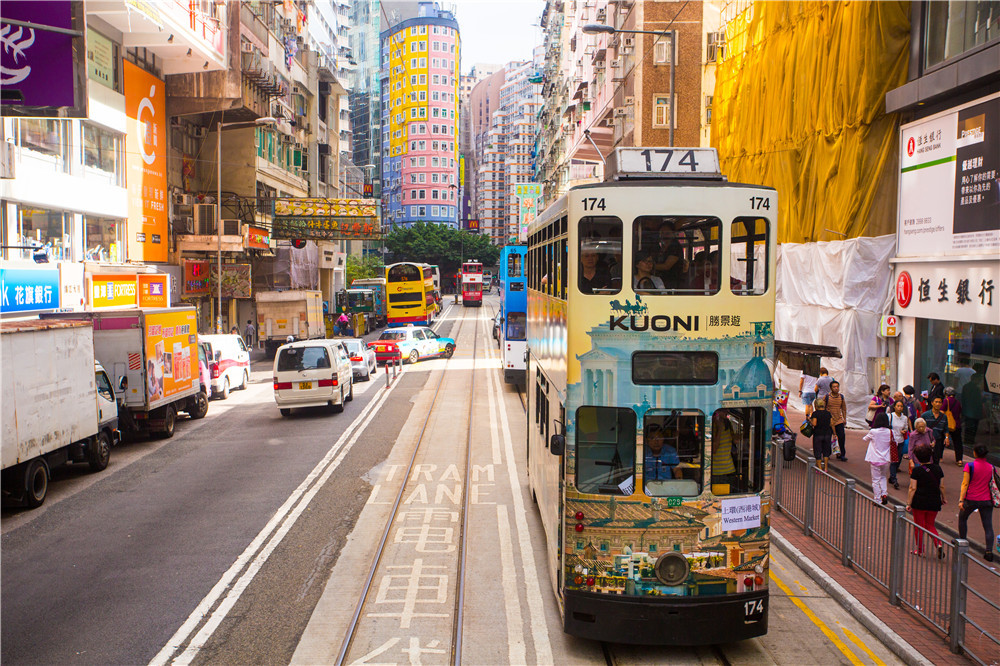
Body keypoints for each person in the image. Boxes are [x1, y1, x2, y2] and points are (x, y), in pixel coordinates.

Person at [906, 444, 946, 558]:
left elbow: (912, 488)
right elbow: (942, 486)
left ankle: (920, 550)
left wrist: (909, 503)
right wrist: (944, 498)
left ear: (917, 458)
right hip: (934, 501)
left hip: (919, 501)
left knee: (919, 526)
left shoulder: (917, 471)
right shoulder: (938, 469)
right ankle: (938, 543)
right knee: (930, 525)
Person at [958, 445, 996, 562]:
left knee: (963, 519)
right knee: (988, 525)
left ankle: (962, 542)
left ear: (975, 453)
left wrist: (961, 500)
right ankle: (989, 551)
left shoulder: (970, 466)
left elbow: (965, 484)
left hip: (971, 499)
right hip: (986, 500)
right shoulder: (991, 467)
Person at [864, 412, 893, 504]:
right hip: (886, 458)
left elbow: (865, 439)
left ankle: (877, 499)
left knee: (875, 480)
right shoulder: (890, 432)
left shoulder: (873, 432)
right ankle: (884, 493)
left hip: (875, 458)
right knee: (883, 477)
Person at [711, 411, 738, 490]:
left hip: (729, 470)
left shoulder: (727, 423)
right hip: (716, 472)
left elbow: (735, 440)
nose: (727, 412)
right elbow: (714, 449)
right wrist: (719, 428)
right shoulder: (712, 426)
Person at [888, 400, 911, 490]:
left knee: (899, 458)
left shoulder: (904, 418)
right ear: (894, 407)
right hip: (893, 441)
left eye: (901, 406)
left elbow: (906, 427)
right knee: (894, 460)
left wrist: (904, 431)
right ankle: (894, 478)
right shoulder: (890, 416)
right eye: (898, 406)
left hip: (901, 440)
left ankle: (891, 476)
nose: (900, 408)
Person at [921, 396, 951, 464]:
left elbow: (946, 429)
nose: (938, 404)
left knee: (936, 460)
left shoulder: (944, 417)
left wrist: (946, 438)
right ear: (932, 403)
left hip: (938, 441)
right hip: (926, 441)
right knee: (925, 460)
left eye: (939, 402)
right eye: (936, 402)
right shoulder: (925, 415)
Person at [961, 365, 985, 448]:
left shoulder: (966, 386)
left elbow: (963, 398)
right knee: (973, 427)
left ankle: (968, 440)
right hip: (974, 411)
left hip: (968, 410)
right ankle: (970, 440)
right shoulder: (976, 388)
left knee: (969, 427)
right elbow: (979, 400)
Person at [827, 380, 848, 461]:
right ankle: (827, 454)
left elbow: (844, 409)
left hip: (839, 420)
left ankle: (842, 454)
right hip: (829, 421)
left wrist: (844, 418)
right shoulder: (827, 397)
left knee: (842, 437)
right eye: (834, 387)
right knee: (828, 438)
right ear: (831, 388)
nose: (836, 388)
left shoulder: (841, 397)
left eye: (837, 387)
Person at [810, 398, 833, 472]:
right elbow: (831, 424)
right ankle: (826, 468)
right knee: (826, 451)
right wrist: (834, 433)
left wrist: (810, 420)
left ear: (816, 405)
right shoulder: (828, 413)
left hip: (818, 434)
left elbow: (814, 423)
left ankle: (819, 468)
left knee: (818, 450)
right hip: (827, 434)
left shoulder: (815, 413)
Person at [942, 387, 964, 465]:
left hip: (947, 424)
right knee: (958, 442)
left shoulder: (946, 401)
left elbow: (941, 411)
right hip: (956, 424)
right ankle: (959, 460)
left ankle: (940, 457)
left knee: (942, 440)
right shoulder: (958, 402)